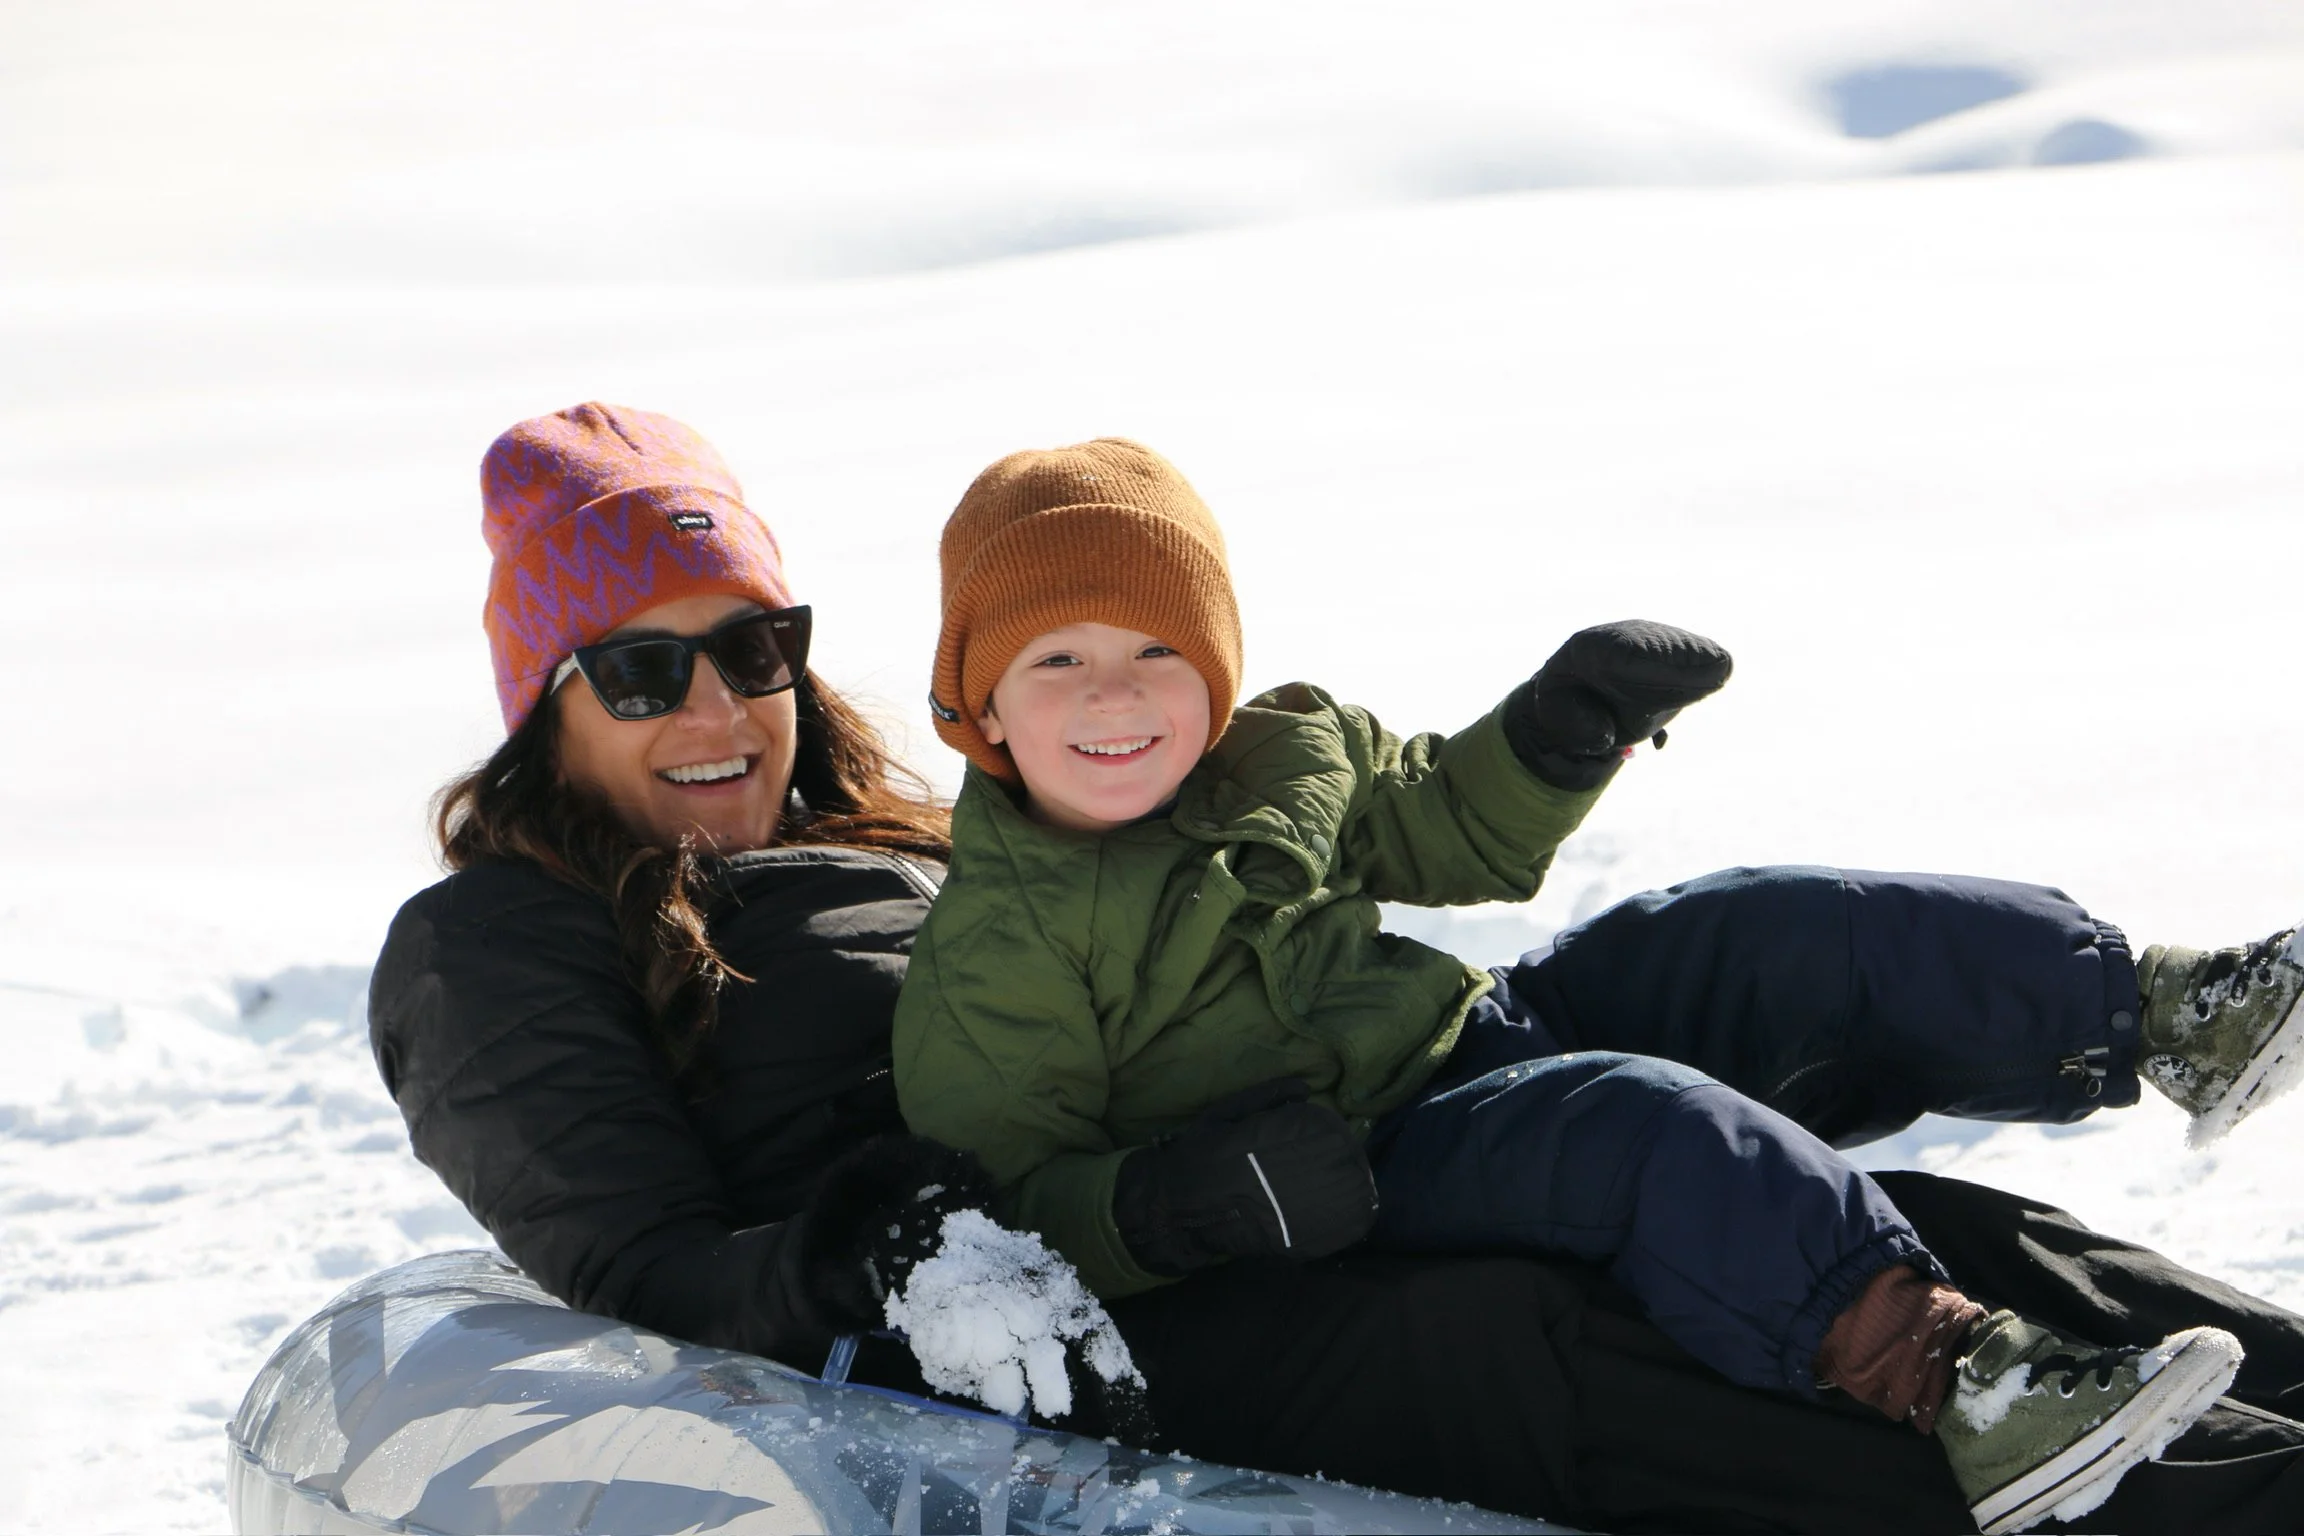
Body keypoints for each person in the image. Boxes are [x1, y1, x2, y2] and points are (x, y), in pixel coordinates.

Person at [372, 401, 2304, 1535]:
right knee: (1571, 1280)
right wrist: (891, 1238)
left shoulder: (950, 826)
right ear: (541, 703)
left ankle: (2195, 1222)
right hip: (1154, 1267)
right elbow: (633, 1264)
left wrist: (1528, 756)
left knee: (1773, 1069)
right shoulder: (500, 940)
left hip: (1338, 1091)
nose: (716, 707)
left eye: (755, 646)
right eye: (641, 667)